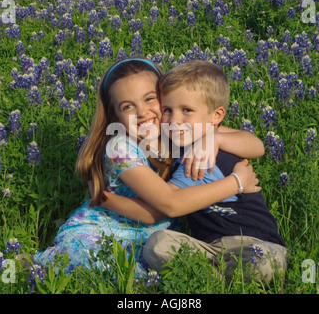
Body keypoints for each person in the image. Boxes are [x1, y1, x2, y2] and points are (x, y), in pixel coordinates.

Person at [30, 58, 262, 276]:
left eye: (150, 99)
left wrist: (215, 139)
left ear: (165, 97)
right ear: (115, 115)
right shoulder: (120, 147)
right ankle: (30, 264)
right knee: (108, 271)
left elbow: (256, 145)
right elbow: (167, 205)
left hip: (153, 237)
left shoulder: (176, 130)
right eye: (128, 106)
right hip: (103, 232)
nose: (142, 112)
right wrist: (236, 183)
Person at [143, 60, 287, 282]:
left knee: (264, 262)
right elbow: (256, 144)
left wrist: (110, 197)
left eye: (187, 110)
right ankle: (219, 279)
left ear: (216, 116)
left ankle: (207, 279)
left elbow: (165, 203)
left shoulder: (200, 158)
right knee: (158, 244)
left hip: (255, 244)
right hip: (209, 249)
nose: (174, 120)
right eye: (167, 110)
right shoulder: (197, 138)